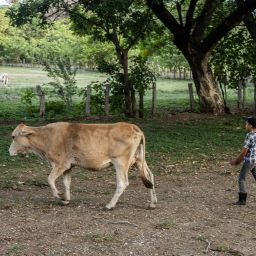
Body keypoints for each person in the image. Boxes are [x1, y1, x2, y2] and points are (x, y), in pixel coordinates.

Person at [230, 116, 256, 205]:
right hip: (255, 160)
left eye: (246, 124)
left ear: (251, 126)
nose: (245, 125)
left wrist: (236, 161)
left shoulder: (250, 135)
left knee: (241, 178)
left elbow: (244, 151)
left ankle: (242, 199)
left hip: (250, 161)